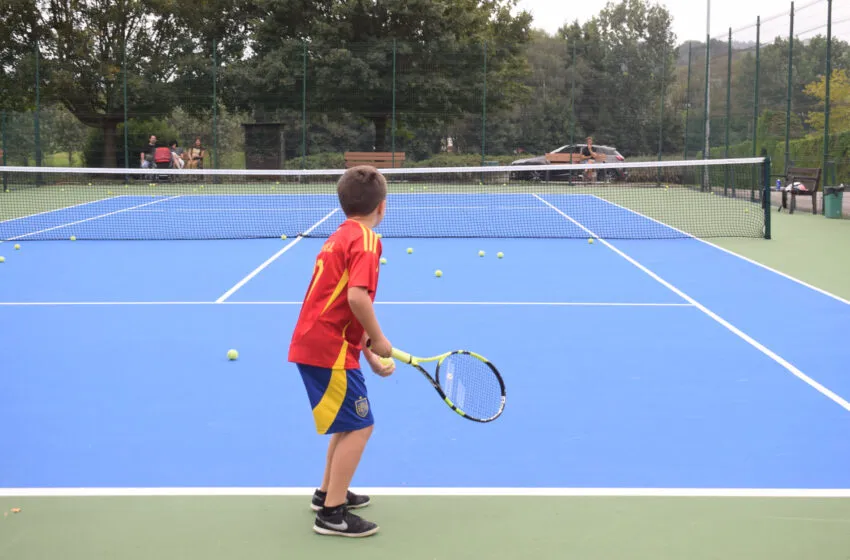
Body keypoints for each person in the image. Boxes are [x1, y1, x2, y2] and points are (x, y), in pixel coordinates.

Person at [288, 165, 395, 538]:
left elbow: (340, 304)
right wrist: (379, 339)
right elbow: (356, 297)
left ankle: (326, 494)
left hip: (321, 342)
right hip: (327, 348)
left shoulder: (339, 236)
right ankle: (332, 515)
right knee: (361, 426)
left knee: (346, 424)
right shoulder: (366, 240)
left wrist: (368, 353)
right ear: (382, 207)